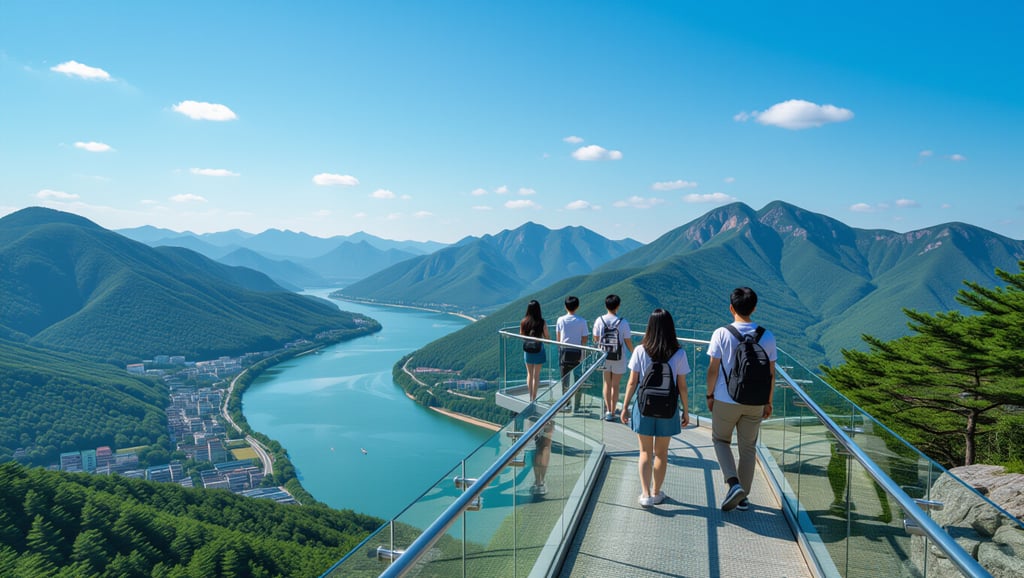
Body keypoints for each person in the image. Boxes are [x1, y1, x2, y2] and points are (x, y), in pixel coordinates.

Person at [706, 287, 777, 512]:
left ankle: (733, 484)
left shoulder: (721, 333)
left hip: (725, 400)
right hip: (755, 401)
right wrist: (768, 401)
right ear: (754, 308)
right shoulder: (767, 336)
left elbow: (712, 370)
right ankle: (743, 498)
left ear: (731, 307)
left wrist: (710, 395)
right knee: (748, 448)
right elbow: (771, 374)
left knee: (720, 440)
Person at [621, 308, 690, 507]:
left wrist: (625, 407)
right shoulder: (679, 353)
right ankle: (656, 492)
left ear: (649, 327)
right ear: (671, 328)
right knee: (661, 453)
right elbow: (682, 386)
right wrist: (685, 410)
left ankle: (645, 495)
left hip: (643, 407)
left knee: (644, 452)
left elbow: (632, 382)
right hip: (668, 409)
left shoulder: (640, 351)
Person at [593, 294, 634, 421]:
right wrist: (634, 352)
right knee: (615, 385)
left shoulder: (599, 320)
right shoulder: (623, 322)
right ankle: (613, 410)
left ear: (606, 305)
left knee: (607, 383)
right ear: (618, 306)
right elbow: (627, 341)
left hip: (604, 356)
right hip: (618, 356)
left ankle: (608, 411)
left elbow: (595, 338)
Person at [556, 296, 588, 413]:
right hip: (577, 352)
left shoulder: (560, 320)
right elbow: (584, 339)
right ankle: (577, 406)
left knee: (565, 380)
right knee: (578, 379)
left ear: (565, 306)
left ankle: (566, 404)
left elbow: (558, 338)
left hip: (564, 352)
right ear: (578, 306)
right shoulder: (582, 321)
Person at [520, 299, 550, 402]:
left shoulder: (524, 322)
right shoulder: (542, 322)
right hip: (539, 350)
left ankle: (530, 397)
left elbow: (521, 335)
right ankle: (534, 398)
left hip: (527, 350)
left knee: (529, 374)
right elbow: (547, 338)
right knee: (536, 376)